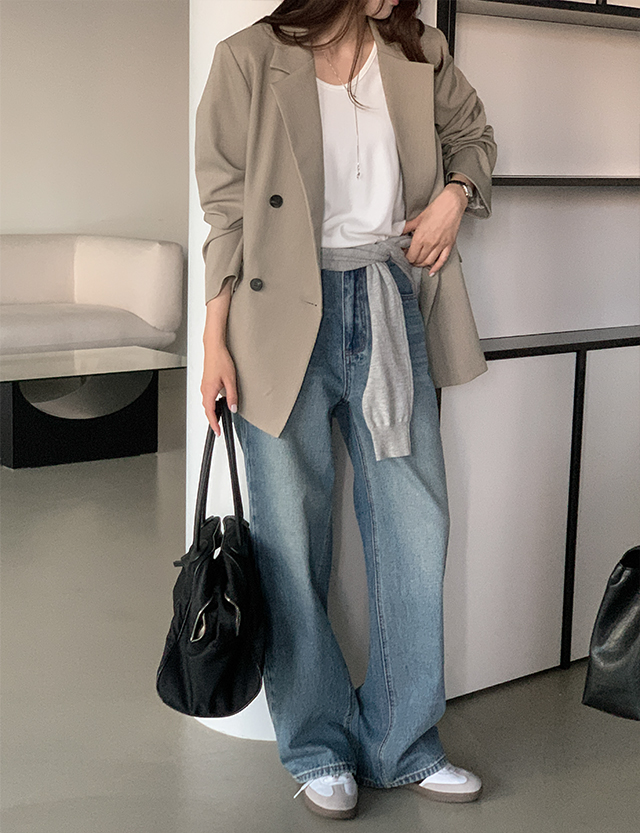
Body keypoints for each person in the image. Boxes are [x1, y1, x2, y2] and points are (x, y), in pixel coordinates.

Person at [195, 0, 497, 820]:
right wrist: (214, 339)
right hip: (276, 321)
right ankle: (318, 746)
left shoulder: (417, 48)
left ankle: (404, 742)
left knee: (413, 526)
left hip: (388, 300)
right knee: (289, 539)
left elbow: (474, 135)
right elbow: (225, 209)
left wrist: (455, 196)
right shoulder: (248, 58)